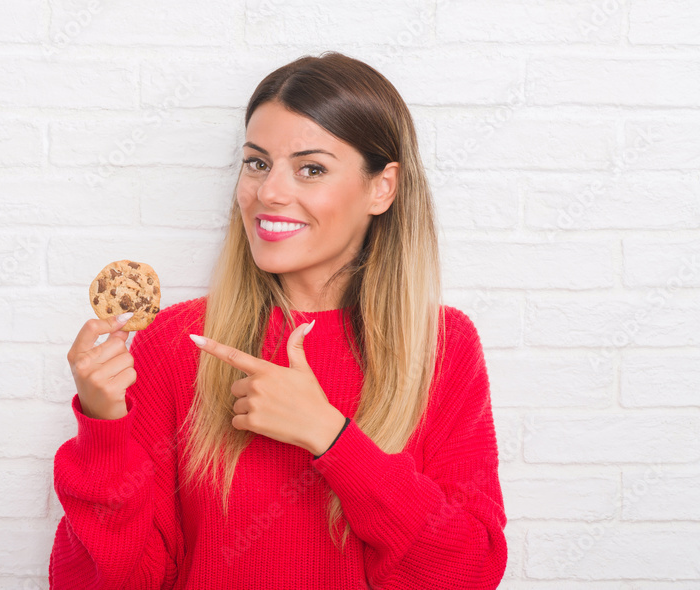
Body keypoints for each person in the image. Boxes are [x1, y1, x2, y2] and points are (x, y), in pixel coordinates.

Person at [50, 51, 508, 589]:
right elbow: (105, 582)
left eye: (311, 168)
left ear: (382, 187)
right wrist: (105, 426)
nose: (269, 192)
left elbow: (467, 572)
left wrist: (330, 437)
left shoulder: (442, 345)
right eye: (257, 163)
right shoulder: (178, 342)